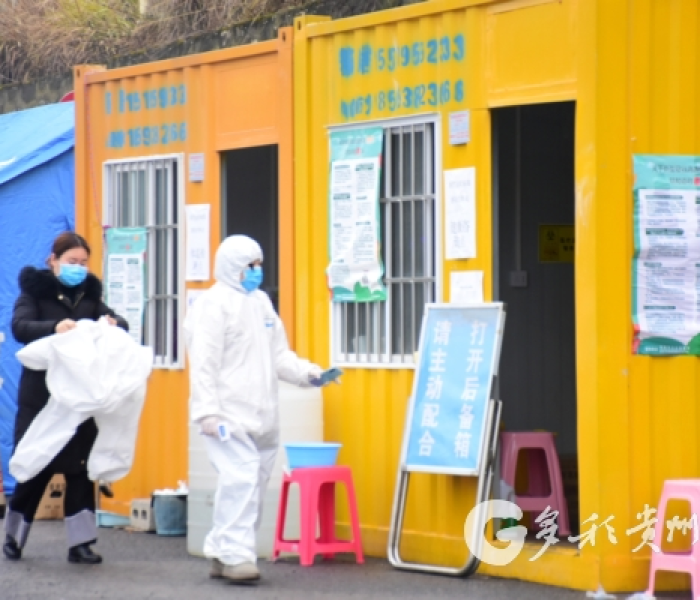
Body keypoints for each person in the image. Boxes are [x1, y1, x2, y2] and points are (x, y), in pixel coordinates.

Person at [184, 235, 324, 584]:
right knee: (241, 479)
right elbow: (203, 362)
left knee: (252, 486)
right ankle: (237, 556)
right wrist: (207, 412)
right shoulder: (213, 305)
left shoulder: (261, 303)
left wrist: (309, 374)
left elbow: (279, 356)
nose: (257, 271)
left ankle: (221, 549)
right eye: (251, 265)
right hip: (227, 415)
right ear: (233, 266)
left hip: (263, 414)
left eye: (259, 264)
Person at [3, 232, 128, 564]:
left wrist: (113, 323)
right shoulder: (34, 291)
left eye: (84, 263)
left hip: (80, 398)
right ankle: (14, 536)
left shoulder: (90, 295)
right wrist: (55, 327)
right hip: (41, 397)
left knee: (80, 470)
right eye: (72, 262)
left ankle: (81, 543)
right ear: (54, 261)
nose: (79, 268)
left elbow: (119, 322)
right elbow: (20, 327)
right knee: (36, 466)